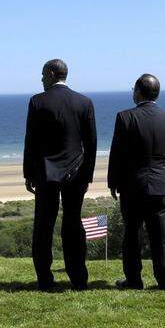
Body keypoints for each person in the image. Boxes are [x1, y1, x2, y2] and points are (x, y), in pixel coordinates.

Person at [23, 59, 97, 290]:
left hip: (46, 173)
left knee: (43, 227)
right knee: (73, 225)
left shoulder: (37, 101)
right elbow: (91, 143)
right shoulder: (84, 102)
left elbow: (31, 142)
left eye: (44, 74)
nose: (41, 79)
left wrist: (29, 173)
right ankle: (79, 279)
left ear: (53, 73)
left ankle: (44, 280)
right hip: (76, 172)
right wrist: (88, 175)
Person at [108, 74, 165, 290]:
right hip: (160, 184)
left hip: (132, 185)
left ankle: (133, 280)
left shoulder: (125, 117)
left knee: (132, 234)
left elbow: (117, 153)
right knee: (162, 236)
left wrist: (113, 182)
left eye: (134, 88)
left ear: (139, 91)